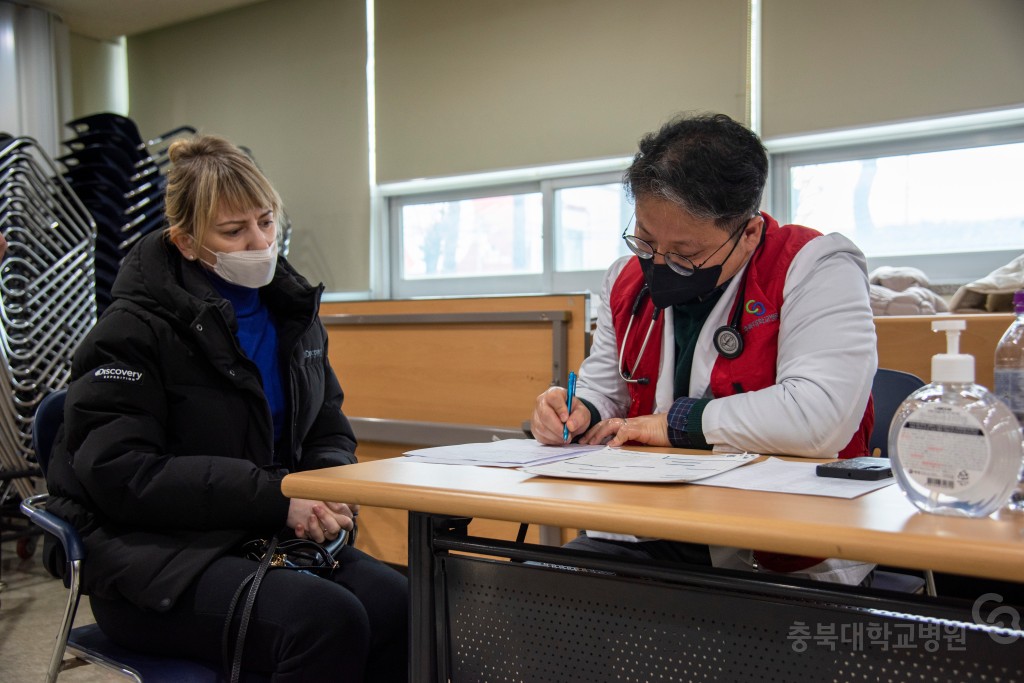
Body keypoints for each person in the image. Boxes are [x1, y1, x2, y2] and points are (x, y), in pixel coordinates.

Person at [46, 135, 408, 681]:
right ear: (186, 242)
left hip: (264, 535)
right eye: (233, 231)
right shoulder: (129, 333)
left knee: (399, 603)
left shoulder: (293, 315)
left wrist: (329, 485)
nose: (259, 242)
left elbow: (326, 422)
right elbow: (122, 472)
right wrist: (278, 499)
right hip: (154, 560)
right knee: (323, 621)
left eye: (265, 221)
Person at [531, 112, 877, 585]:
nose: (660, 263)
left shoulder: (814, 266)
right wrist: (575, 410)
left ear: (749, 232)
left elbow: (819, 417)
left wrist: (675, 424)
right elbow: (604, 390)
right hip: (650, 523)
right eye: (647, 241)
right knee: (536, 588)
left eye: (687, 253)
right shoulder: (627, 281)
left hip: (781, 540)